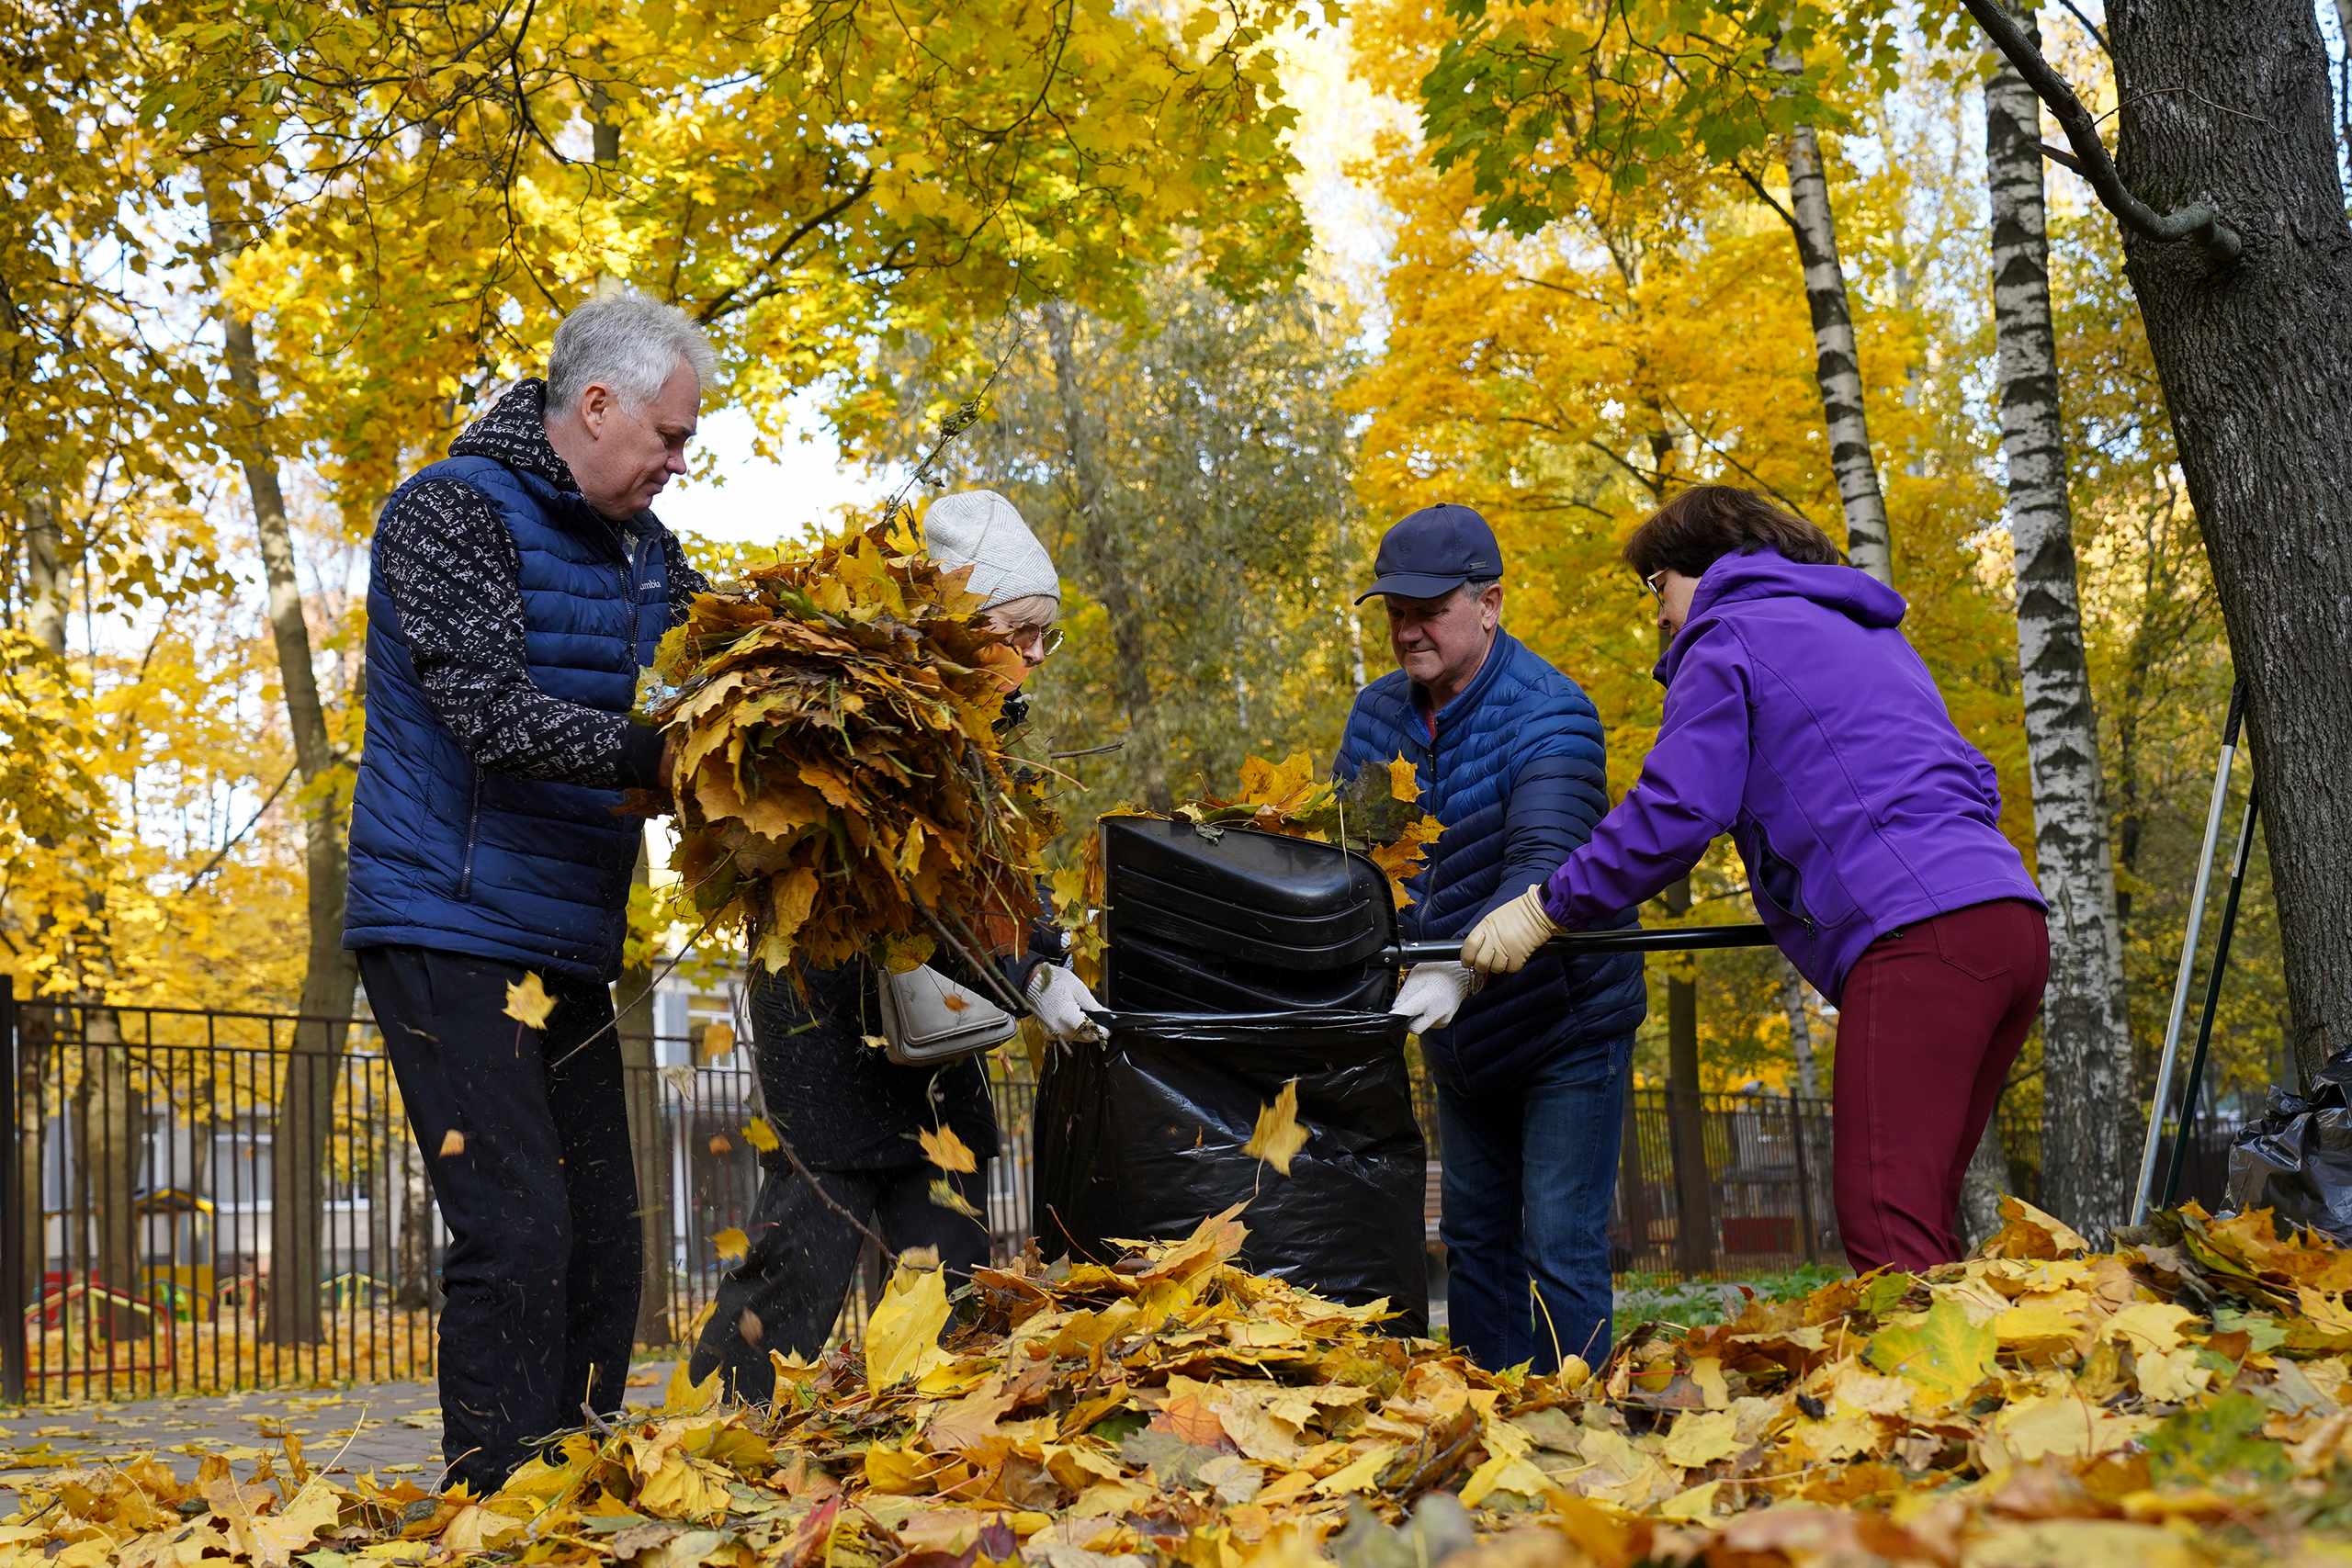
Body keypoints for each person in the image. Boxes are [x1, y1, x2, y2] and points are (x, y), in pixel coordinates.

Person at [1464, 485, 2050, 1273]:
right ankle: (1983, 1388)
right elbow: (1975, 774)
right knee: (1923, 1211)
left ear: (1703, 568)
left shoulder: (1726, 634)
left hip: (1922, 937)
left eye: (1658, 588)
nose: (1661, 617)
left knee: (1884, 1220)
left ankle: (1928, 1393)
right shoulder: (1862, 631)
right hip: (2009, 920)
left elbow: (1675, 811)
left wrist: (1545, 908)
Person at [344, 293, 716, 1490]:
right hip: (444, 922)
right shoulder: (448, 510)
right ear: (594, 405)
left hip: (563, 938)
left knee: (608, 1245)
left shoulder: (643, 552)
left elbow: (739, 666)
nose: (677, 459)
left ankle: (573, 1488)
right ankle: (494, 1502)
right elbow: (487, 710)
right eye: (667, 434)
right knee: (518, 1230)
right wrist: (650, 754)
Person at [686, 489, 1103, 1402]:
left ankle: (932, 1451)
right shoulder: (876, 730)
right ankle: (712, 1444)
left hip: (939, 1044)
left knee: (944, 1278)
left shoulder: (985, 738)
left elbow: (990, 881)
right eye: (1019, 630)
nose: (1035, 655)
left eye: (1047, 634)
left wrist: (1043, 951)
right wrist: (1027, 971)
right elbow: (913, 893)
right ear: (955, 622)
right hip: (835, 1033)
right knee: (802, 1258)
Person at [1333, 503, 1645, 1374]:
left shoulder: (1553, 715)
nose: (1407, 629)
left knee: (1557, 1234)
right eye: (1395, 610)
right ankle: (1485, 1414)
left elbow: (1543, 868)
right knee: (1472, 1231)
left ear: (1491, 603)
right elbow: (1362, 859)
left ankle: (1582, 1425)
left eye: (1429, 609)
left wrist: (1456, 974)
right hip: (1456, 1034)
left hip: (1564, 1023)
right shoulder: (1378, 717)